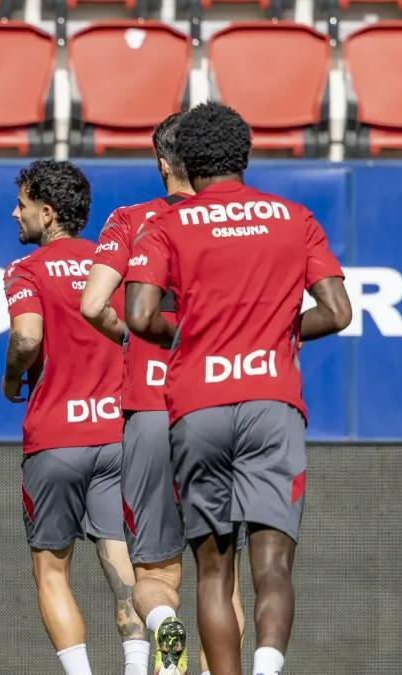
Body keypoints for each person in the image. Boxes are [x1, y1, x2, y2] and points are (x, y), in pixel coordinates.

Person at [125, 102, 352, 675]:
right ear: (244, 156)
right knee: (272, 565)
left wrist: (193, 329)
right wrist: (274, 331)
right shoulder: (293, 217)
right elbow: (339, 311)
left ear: (185, 164)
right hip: (272, 401)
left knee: (212, 571)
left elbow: (138, 312)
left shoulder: (166, 225)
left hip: (198, 404)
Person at [80, 113, 245, 675]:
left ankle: (161, 625)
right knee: (222, 578)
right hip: (217, 405)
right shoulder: (230, 223)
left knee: (155, 576)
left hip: (149, 408)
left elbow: (91, 303)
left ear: (161, 162)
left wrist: (134, 335)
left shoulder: (130, 219)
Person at [1, 160, 146, 675]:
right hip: (115, 433)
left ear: (47, 212)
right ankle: (138, 661)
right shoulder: (113, 264)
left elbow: (27, 337)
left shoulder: (26, 270)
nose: (14, 213)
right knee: (121, 558)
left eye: (21, 205)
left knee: (51, 571)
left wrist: (11, 377)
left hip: (57, 439)